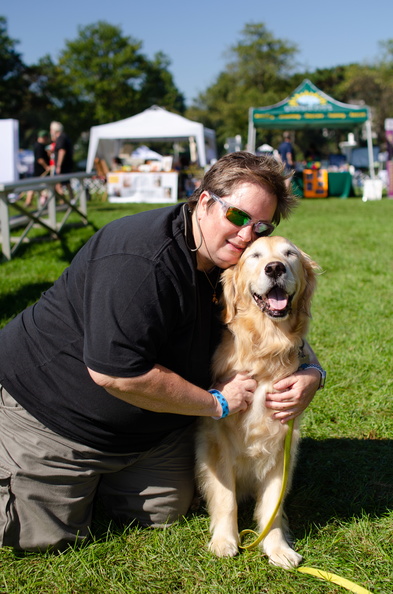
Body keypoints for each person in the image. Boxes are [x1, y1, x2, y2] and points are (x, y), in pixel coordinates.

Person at [0, 152, 324, 552]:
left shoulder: (228, 268)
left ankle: (97, 480)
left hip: (148, 427)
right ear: (204, 202)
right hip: (49, 412)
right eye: (238, 217)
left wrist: (312, 371)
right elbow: (116, 374)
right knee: (43, 538)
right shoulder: (140, 260)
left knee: (167, 508)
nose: (247, 235)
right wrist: (215, 403)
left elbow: (276, 332)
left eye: (261, 226)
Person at [24, 131, 51, 207]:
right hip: (39, 171)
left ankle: (30, 202)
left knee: (37, 187)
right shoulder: (39, 146)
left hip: (39, 170)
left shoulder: (40, 146)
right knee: (35, 187)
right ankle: (29, 202)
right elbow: (40, 159)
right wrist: (46, 167)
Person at [50, 121, 74, 201]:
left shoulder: (61, 138)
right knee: (67, 184)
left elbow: (62, 151)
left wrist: (59, 165)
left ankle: (64, 201)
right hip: (66, 165)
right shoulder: (64, 137)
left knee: (58, 184)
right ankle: (71, 200)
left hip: (62, 166)